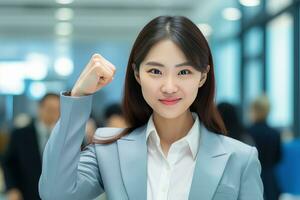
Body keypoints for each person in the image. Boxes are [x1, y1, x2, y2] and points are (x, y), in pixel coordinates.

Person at [39, 16, 263, 200]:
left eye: (184, 72)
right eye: (155, 71)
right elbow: (56, 193)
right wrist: (78, 96)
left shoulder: (240, 159)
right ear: (137, 74)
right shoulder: (109, 149)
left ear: (202, 76)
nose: (169, 87)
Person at [2, 93, 60, 200]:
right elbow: (8, 163)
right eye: (50, 109)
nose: (53, 113)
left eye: (57, 110)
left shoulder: (64, 137)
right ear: (40, 108)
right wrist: (12, 188)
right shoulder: (20, 134)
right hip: (26, 193)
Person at [247, 95, 281, 200]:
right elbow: (278, 158)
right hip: (271, 179)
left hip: (252, 177)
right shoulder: (275, 133)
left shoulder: (248, 132)